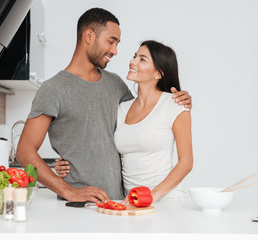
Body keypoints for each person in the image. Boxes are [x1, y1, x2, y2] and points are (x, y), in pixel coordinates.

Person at [16, 8, 192, 203]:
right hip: (81, 206)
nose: (115, 51)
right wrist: (68, 190)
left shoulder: (115, 84)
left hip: (121, 202)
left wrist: (178, 99)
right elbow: (24, 152)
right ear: (89, 36)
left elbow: (145, 117)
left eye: (117, 43)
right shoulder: (53, 89)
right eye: (111, 41)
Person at [56, 40, 193, 202]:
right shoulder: (122, 108)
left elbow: (186, 162)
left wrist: (152, 195)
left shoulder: (174, 104)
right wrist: (69, 163)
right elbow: (98, 143)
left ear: (159, 73)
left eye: (142, 59)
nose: (132, 61)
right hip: (131, 201)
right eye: (134, 56)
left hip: (167, 199)